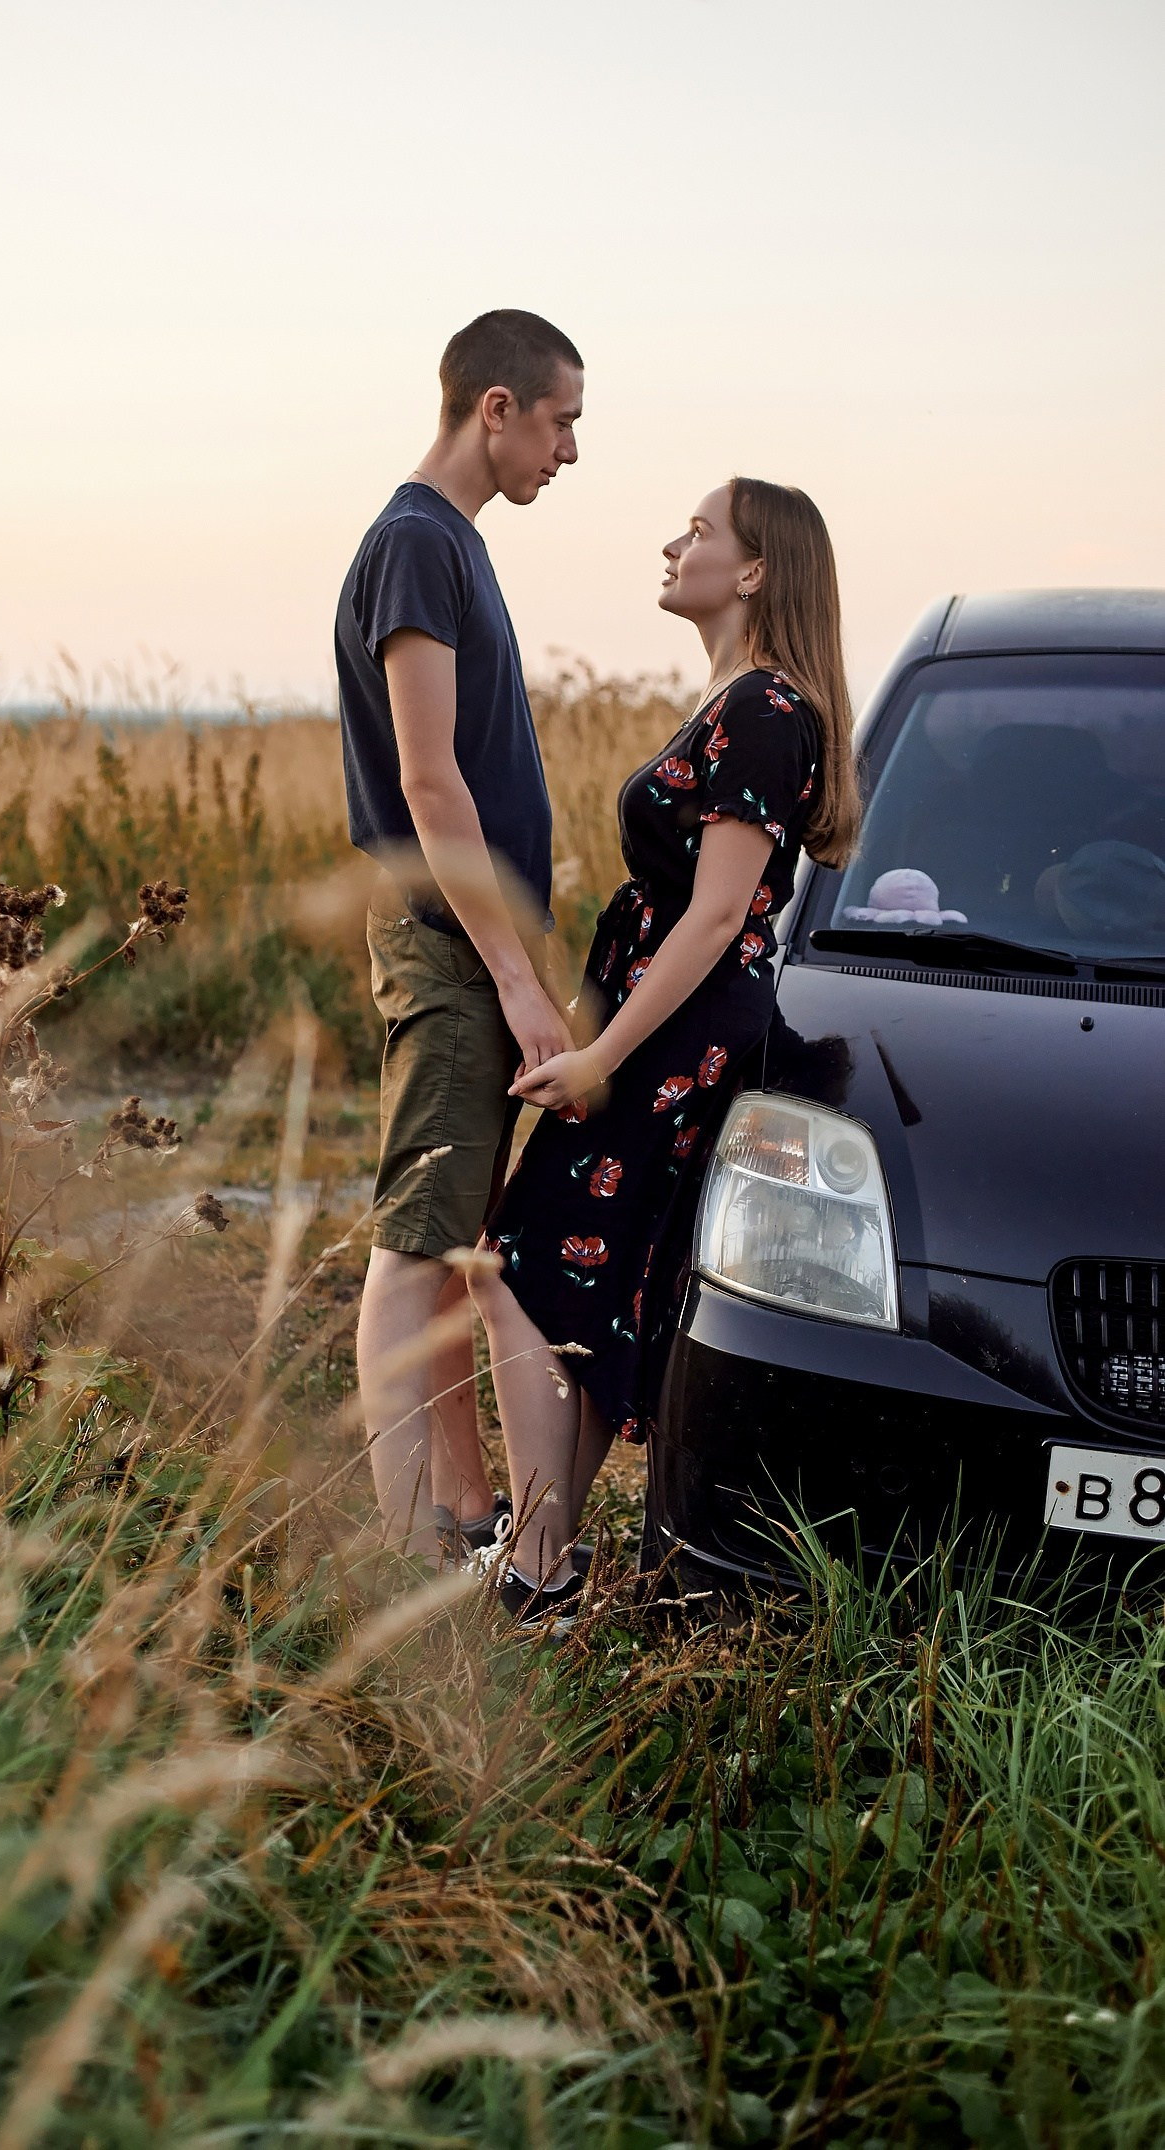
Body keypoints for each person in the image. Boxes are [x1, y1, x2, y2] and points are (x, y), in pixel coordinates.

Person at [470, 476, 861, 1627]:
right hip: (671, 1019)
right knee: (593, 1289)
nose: (672, 541)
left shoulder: (764, 710)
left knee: (515, 1269)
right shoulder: (743, 699)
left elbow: (715, 913)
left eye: (697, 530)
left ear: (752, 570)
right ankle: (541, 1563)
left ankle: (535, 1564)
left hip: (677, 1026)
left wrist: (601, 1058)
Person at [334, 310, 584, 1558]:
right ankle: (389, 1565)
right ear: (495, 407)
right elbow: (429, 785)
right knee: (414, 1248)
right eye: (560, 420)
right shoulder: (417, 546)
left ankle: (462, 1517)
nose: (570, 449)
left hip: (465, 941)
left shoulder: (451, 547)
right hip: (445, 939)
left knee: (447, 1255)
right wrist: (518, 983)